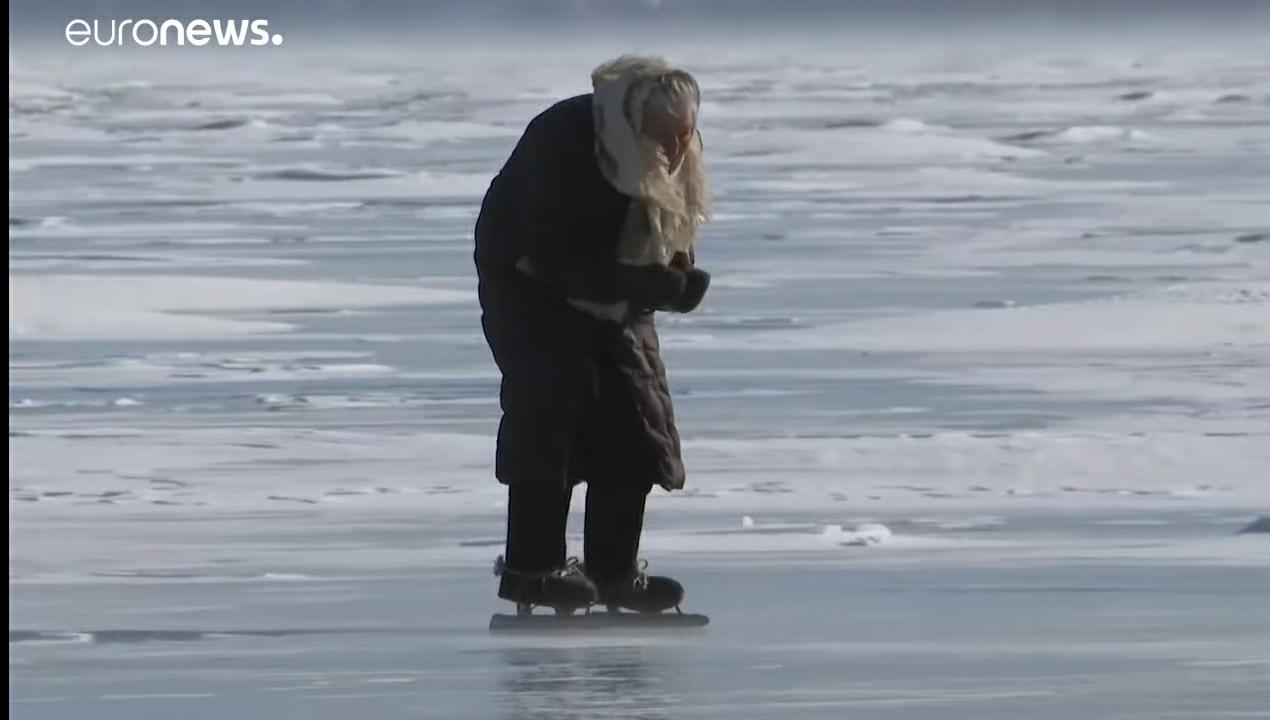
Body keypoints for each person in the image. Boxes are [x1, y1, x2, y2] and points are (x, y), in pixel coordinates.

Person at [474, 56, 712, 613]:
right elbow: (545, 258)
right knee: (552, 419)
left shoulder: (672, 150)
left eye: (685, 136)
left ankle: (614, 570)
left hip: (617, 292)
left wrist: (670, 282)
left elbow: (666, 230)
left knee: (635, 423)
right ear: (633, 124)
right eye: (664, 137)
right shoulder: (563, 142)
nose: (677, 150)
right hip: (529, 287)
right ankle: (532, 569)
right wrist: (650, 285)